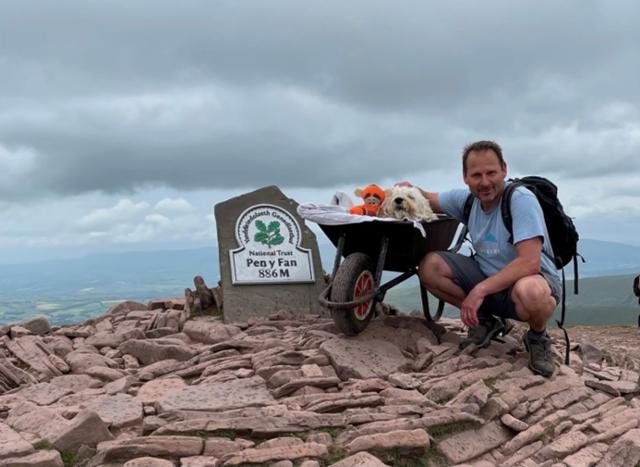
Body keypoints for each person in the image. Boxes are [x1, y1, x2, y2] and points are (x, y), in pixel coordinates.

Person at [401, 140, 561, 377]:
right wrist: (407, 190)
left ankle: (537, 337)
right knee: (429, 267)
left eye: (491, 173)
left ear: (504, 170)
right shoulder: (466, 200)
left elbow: (530, 263)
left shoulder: (520, 200)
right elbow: (427, 197)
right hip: (489, 281)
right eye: (476, 175)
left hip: (529, 282)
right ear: (465, 177)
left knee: (531, 292)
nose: (485, 182)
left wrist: (480, 291)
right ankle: (485, 321)